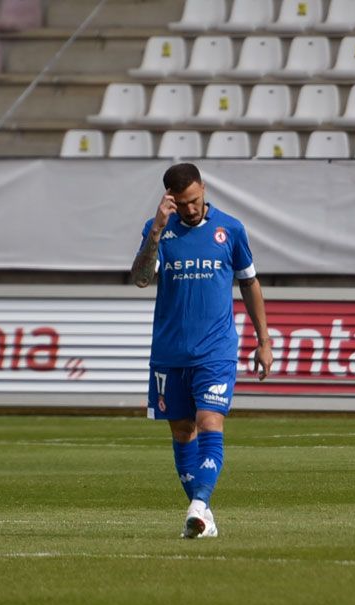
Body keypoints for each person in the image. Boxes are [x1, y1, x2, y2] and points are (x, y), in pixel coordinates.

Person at [130, 163, 273, 539]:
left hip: (216, 351)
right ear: (169, 200)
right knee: (182, 430)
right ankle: (204, 516)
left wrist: (264, 340)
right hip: (169, 352)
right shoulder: (158, 230)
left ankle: (198, 503)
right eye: (182, 203)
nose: (191, 209)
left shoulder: (231, 230)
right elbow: (142, 279)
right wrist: (158, 229)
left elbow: (250, 283)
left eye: (195, 200)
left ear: (203, 189)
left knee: (210, 421)